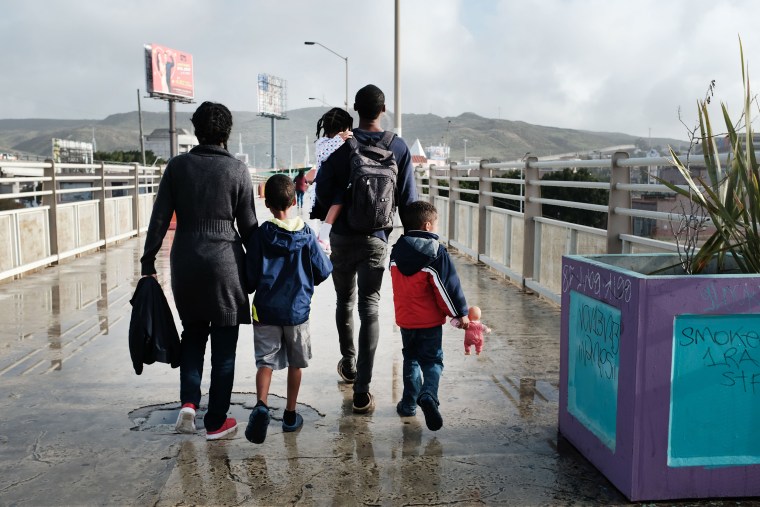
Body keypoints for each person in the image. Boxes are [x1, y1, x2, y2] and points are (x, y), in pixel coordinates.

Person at [140, 101, 258, 441]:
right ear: (226, 133)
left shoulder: (177, 167)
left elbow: (159, 219)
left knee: (192, 335)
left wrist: (148, 263)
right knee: (224, 348)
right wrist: (268, 261)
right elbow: (249, 226)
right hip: (226, 266)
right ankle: (216, 421)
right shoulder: (237, 170)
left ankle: (189, 404)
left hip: (186, 261)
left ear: (196, 129)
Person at [314, 84, 418, 413]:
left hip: (343, 238)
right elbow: (409, 202)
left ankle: (349, 363)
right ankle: (362, 390)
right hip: (377, 239)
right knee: (370, 308)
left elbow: (323, 193)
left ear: (356, 110)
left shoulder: (342, 145)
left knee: (345, 299)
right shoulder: (398, 147)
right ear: (383, 110)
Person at [244, 174, 332, 444]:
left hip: (266, 311)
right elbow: (324, 270)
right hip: (297, 311)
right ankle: (290, 414)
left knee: (266, 362)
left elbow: (249, 281)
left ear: (267, 203)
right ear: (295, 201)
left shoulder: (260, 235)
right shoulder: (306, 235)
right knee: (296, 363)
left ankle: (261, 405)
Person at [389, 200, 469, 431]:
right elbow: (447, 288)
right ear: (427, 226)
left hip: (405, 319)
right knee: (432, 361)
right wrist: (459, 314)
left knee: (411, 359)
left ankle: (408, 405)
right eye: (436, 224)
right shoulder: (436, 253)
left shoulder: (396, 250)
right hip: (429, 322)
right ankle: (428, 395)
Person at [308, 107, 354, 253]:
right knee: (340, 200)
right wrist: (340, 138)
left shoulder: (325, 141)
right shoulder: (324, 143)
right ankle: (323, 236)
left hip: (324, 186)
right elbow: (324, 154)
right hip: (326, 187)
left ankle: (324, 239)